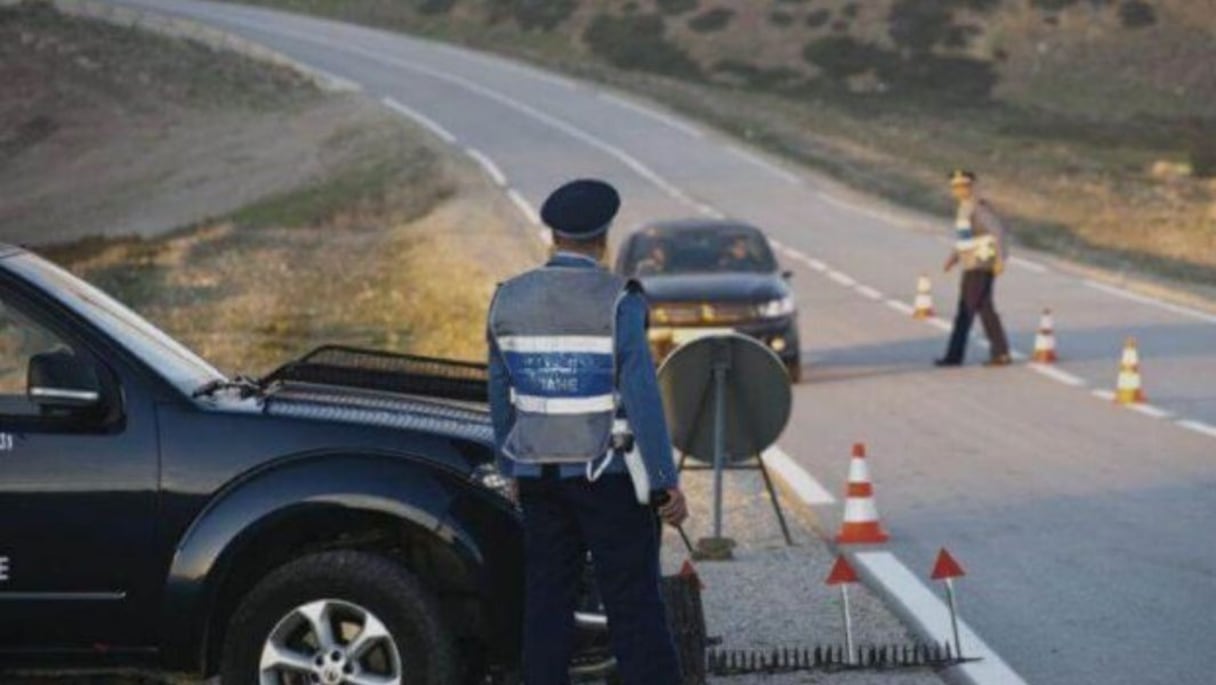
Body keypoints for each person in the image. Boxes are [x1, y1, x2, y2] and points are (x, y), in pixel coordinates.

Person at [487, 178, 688, 685]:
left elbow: (499, 395)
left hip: (538, 476)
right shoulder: (620, 300)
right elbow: (642, 397)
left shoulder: (506, 299)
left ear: (552, 235)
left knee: (547, 604)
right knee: (633, 604)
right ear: (604, 237)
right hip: (610, 476)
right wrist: (664, 480)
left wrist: (510, 465)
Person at [936, 170, 1012, 367]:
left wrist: (1000, 260)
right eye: (956, 186)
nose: (960, 190)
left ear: (972, 186)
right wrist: (953, 257)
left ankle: (955, 355)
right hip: (971, 262)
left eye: (964, 185)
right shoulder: (965, 208)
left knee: (967, 310)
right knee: (983, 308)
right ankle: (1000, 352)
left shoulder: (978, 208)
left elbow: (998, 232)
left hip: (981, 263)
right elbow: (965, 239)